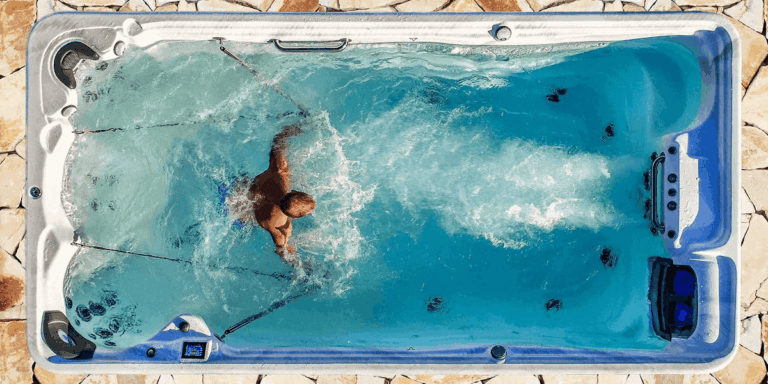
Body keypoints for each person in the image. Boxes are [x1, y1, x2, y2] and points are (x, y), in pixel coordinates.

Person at [231, 123, 316, 267]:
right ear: (295, 217)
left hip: (234, 190)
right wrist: (299, 264)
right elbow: (281, 249)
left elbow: (278, 141)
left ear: (294, 191)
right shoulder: (279, 225)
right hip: (237, 216)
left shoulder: (279, 173)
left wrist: (295, 128)